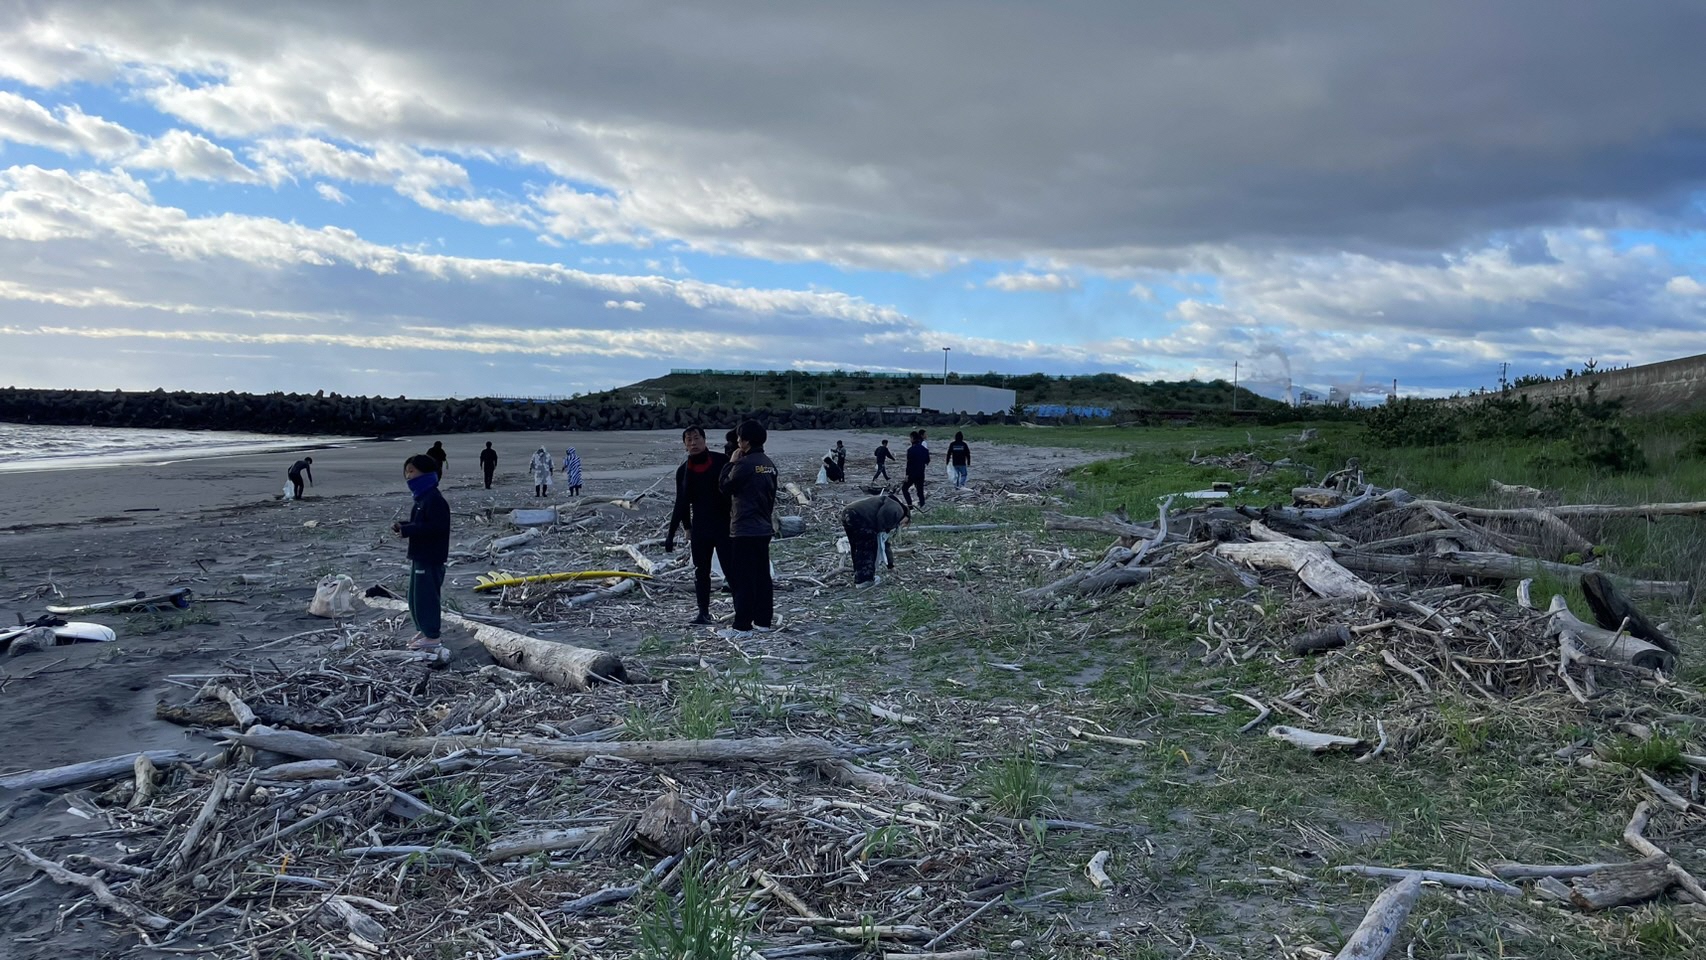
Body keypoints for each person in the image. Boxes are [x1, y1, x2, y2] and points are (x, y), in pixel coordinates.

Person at [665, 426, 732, 626]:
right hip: (700, 527)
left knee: (731, 569)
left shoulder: (721, 461)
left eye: (696, 438)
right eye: (688, 440)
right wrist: (682, 529)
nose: (693, 443)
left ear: (704, 440)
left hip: (724, 525)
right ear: (684, 444)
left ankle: (742, 610)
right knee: (701, 571)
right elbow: (682, 502)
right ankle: (703, 613)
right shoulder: (683, 471)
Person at [719, 419, 779, 639]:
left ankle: (742, 625)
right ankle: (763, 621)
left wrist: (730, 463)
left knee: (743, 578)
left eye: (739, 438)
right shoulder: (769, 464)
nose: (736, 442)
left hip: (744, 527)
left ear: (744, 441)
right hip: (763, 526)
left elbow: (725, 487)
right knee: (762, 576)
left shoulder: (744, 465)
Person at [392, 454, 450, 651]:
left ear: (425, 472)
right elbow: (422, 524)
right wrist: (404, 526)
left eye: (411, 471)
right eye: (406, 471)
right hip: (419, 555)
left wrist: (409, 530)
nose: (408, 476)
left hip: (430, 556)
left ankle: (432, 635)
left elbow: (437, 527)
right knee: (415, 597)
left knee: (426, 597)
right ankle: (424, 630)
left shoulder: (434, 499)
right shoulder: (422, 498)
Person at [842, 493, 909, 587]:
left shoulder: (891, 503)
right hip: (861, 517)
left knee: (856, 547)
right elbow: (882, 520)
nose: (901, 525)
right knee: (868, 549)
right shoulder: (897, 509)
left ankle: (858, 576)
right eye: (905, 523)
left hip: (847, 513)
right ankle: (864, 581)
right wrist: (883, 529)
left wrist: (890, 565)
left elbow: (885, 543)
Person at [902, 431, 930, 508]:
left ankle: (910, 505)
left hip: (912, 473)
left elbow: (909, 463)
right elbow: (927, 461)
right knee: (920, 491)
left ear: (913, 438)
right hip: (921, 472)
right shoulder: (924, 450)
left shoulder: (910, 450)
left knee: (904, 489)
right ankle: (922, 505)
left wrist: (907, 475)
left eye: (910, 438)